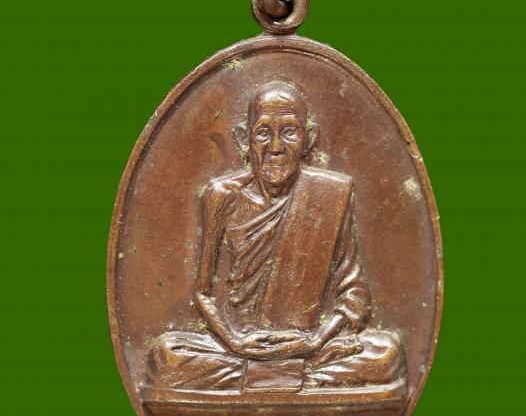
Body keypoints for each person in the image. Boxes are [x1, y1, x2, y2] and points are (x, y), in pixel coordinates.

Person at [149, 81, 404, 391]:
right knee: (166, 355)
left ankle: (271, 376)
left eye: (289, 132)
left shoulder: (330, 195)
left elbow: (354, 295)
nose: (276, 147)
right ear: (244, 138)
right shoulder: (222, 196)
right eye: (263, 133)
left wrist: (315, 340)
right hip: (237, 347)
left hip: (307, 346)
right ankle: (297, 379)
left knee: (386, 355)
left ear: (309, 139)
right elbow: (203, 293)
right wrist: (235, 342)